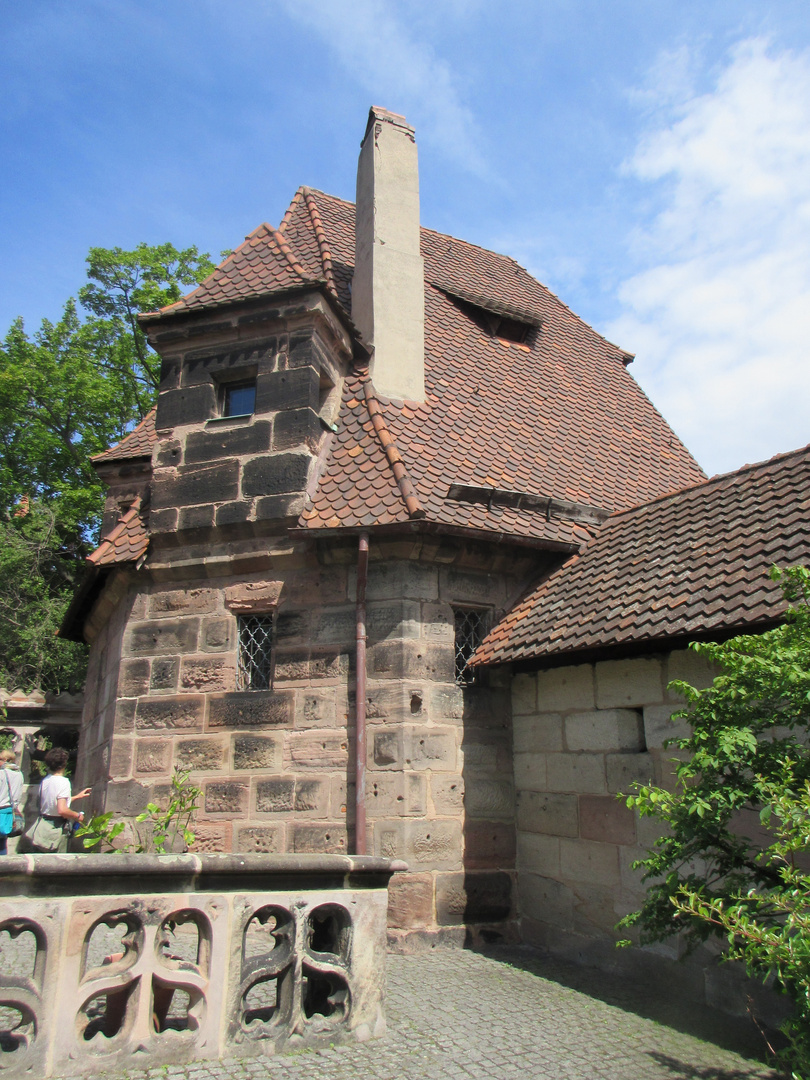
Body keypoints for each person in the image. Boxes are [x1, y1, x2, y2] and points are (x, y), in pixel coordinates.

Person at [28, 748, 91, 853]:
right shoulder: (63, 782)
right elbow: (62, 810)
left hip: (42, 825)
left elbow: (51, 801)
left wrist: (76, 797)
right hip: (56, 828)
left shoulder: (46, 780)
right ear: (64, 764)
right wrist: (77, 816)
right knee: (57, 864)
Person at [0, 749, 23, 855]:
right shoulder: (19, 774)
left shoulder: (2, 773)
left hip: (1, 808)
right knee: (3, 840)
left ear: (5, 760)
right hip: (10, 810)